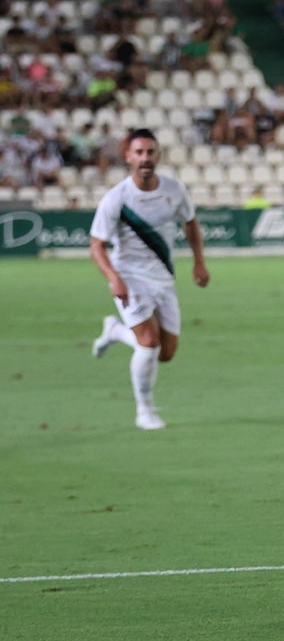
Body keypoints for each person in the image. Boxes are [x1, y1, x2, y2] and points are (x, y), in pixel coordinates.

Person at [88, 128, 211, 430]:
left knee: (165, 353)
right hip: (129, 278)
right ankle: (145, 410)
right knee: (149, 342)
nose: (145, 158)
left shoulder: (174, 190)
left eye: (150, 152)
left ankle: (116, 331)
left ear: (158, 155)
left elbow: (191, 224)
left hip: (163, 278)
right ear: (128, 157)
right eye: (139, 152)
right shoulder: (116, 198)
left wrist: (198, 262)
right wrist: (114, 278)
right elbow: (96, 245)